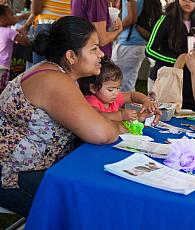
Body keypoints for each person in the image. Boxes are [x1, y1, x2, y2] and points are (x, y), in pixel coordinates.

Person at [0, 16, 126, 217]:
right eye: (94, 49)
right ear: (71, 56)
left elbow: (88, 116)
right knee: (92, 207)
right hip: (13, 176)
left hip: (34, 167)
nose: (101, 54)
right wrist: (121, 126)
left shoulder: (59, 74)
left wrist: (118, 120)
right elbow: (103, 134)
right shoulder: (54, 80)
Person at [145, 0, 195, 92]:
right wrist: (177, 60)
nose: (188, 1)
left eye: (193, 0)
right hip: (162, 77)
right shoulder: (165, 20)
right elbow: (149, 50)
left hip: (185, 80)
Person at [83, 57, 160, 124]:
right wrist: (121, 115)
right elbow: (97, 116)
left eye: (118, 88)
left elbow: (131, 95)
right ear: (93, 88)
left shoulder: (113, 98)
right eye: (110, 90)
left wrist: (146, 101)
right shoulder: (91, 101)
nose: (116, 93)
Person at [18, 0, 71, 66]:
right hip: (68, 24)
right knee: (63, 67)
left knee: (40, 67)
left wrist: (26, 25)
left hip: (45, 25)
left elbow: (36, 11)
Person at [111, 0, 146, 92]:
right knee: (126, 83)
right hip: (136, 42)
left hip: (129, 43)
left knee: (122, 85)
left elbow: (131, 18)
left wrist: (114, 32)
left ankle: (125, 106)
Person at [0, 5, 30, 93]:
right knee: (2, 91)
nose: (14, 17)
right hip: (3, 67)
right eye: (11, 15)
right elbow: (26, 42)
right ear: (3, 19)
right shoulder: (10, 32)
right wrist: (23, 33)